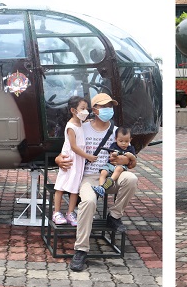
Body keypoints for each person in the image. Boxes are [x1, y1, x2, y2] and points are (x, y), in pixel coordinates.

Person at [55, 93, 139, 272]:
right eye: (103, 106)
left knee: (132, 179)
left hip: (111, 177)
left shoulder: (117, 132)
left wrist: (127, 160)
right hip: (88, 177)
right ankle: (81, 250)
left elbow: (133, 162)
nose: (108, 109)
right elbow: (66, 149)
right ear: (94, 110)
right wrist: (57, 159)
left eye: (110, 105)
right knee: (89, 202)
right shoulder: (81, 127)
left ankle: (114, 216)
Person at [52, 96, 97, 227]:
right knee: (60, 186)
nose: (85, 111)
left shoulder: (81, 123)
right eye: (82, 108)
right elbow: (74, 146)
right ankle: (56, 212)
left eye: (86, 108)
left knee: (74, 188)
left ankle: (70, 213)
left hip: (79, 160)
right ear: (73, 110)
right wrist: (88, 156)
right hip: (70, 159)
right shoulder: (71, 126)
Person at [93, 126, 136, 198]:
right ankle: (101, 187)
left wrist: (131, 156)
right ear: (116, 139)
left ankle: (111, 180)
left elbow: (133, 161)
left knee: (119, 168)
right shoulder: (114, 145)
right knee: (103, 172)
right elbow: (111, 154)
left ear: (130, 140)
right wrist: (114, 154)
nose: (123, 144)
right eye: (121, 141)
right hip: (110, 165)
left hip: (120, 166)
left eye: (126, 141)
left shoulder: (130, 148)